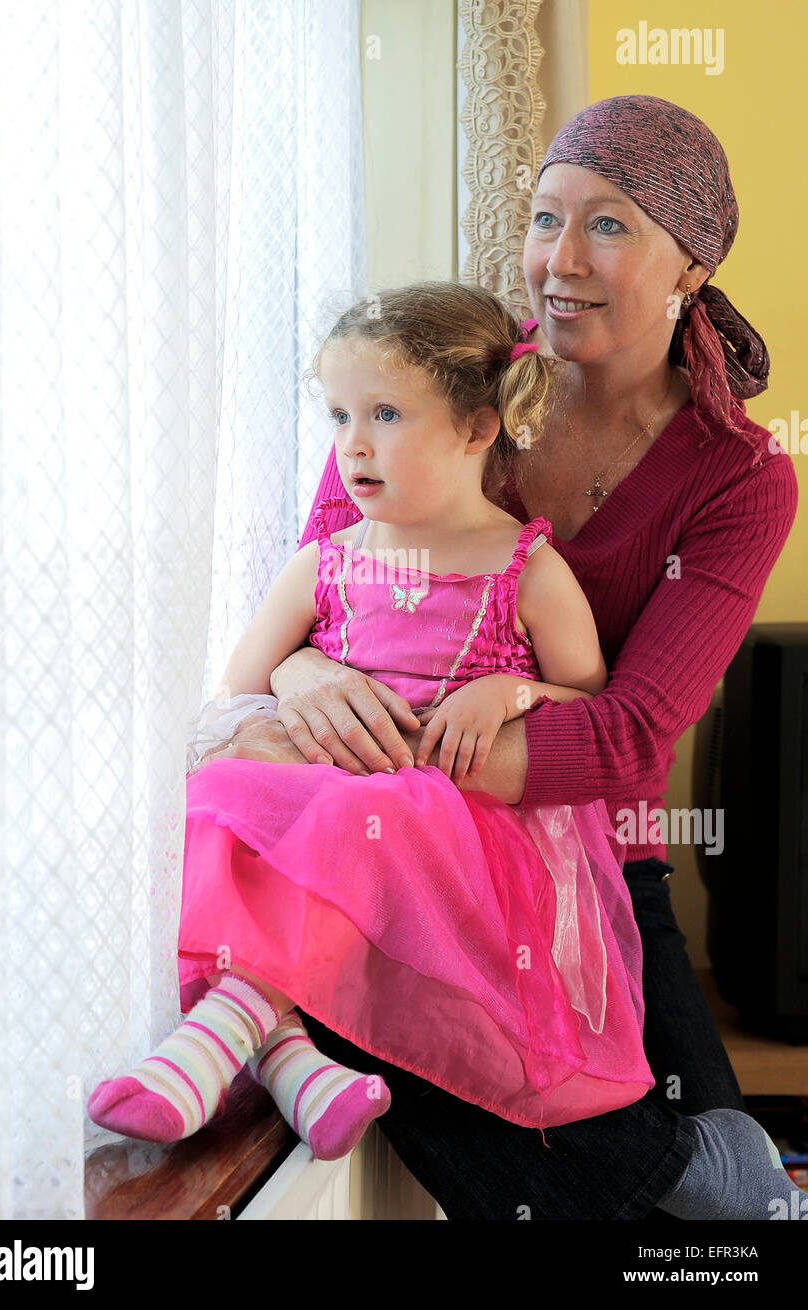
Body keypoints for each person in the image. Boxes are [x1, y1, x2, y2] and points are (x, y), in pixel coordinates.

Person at [200, 96, 800, 1220]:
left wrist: (391, 745)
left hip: (590, 862)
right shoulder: (447, 378)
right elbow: (323, 579)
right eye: (542, 218)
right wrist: (299, 675)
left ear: (691, 266)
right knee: (518, 1147)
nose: (557, 262)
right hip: (378, 846)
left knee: (732, 1204)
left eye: (608, 226)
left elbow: (628, 736)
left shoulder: (738, 475)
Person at [88, 277, 659, 1160]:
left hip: (454, 834)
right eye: (339, 417)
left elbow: (590, 703)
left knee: (373, 813)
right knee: (218, 795)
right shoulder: (323, 563)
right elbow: (237, 695)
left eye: (385, 415)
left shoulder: (528, 570)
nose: (353, 446)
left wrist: (508, 692)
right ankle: (292, 1066)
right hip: (341, 806)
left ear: (477, 428)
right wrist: (298, 663)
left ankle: (230, 1041)